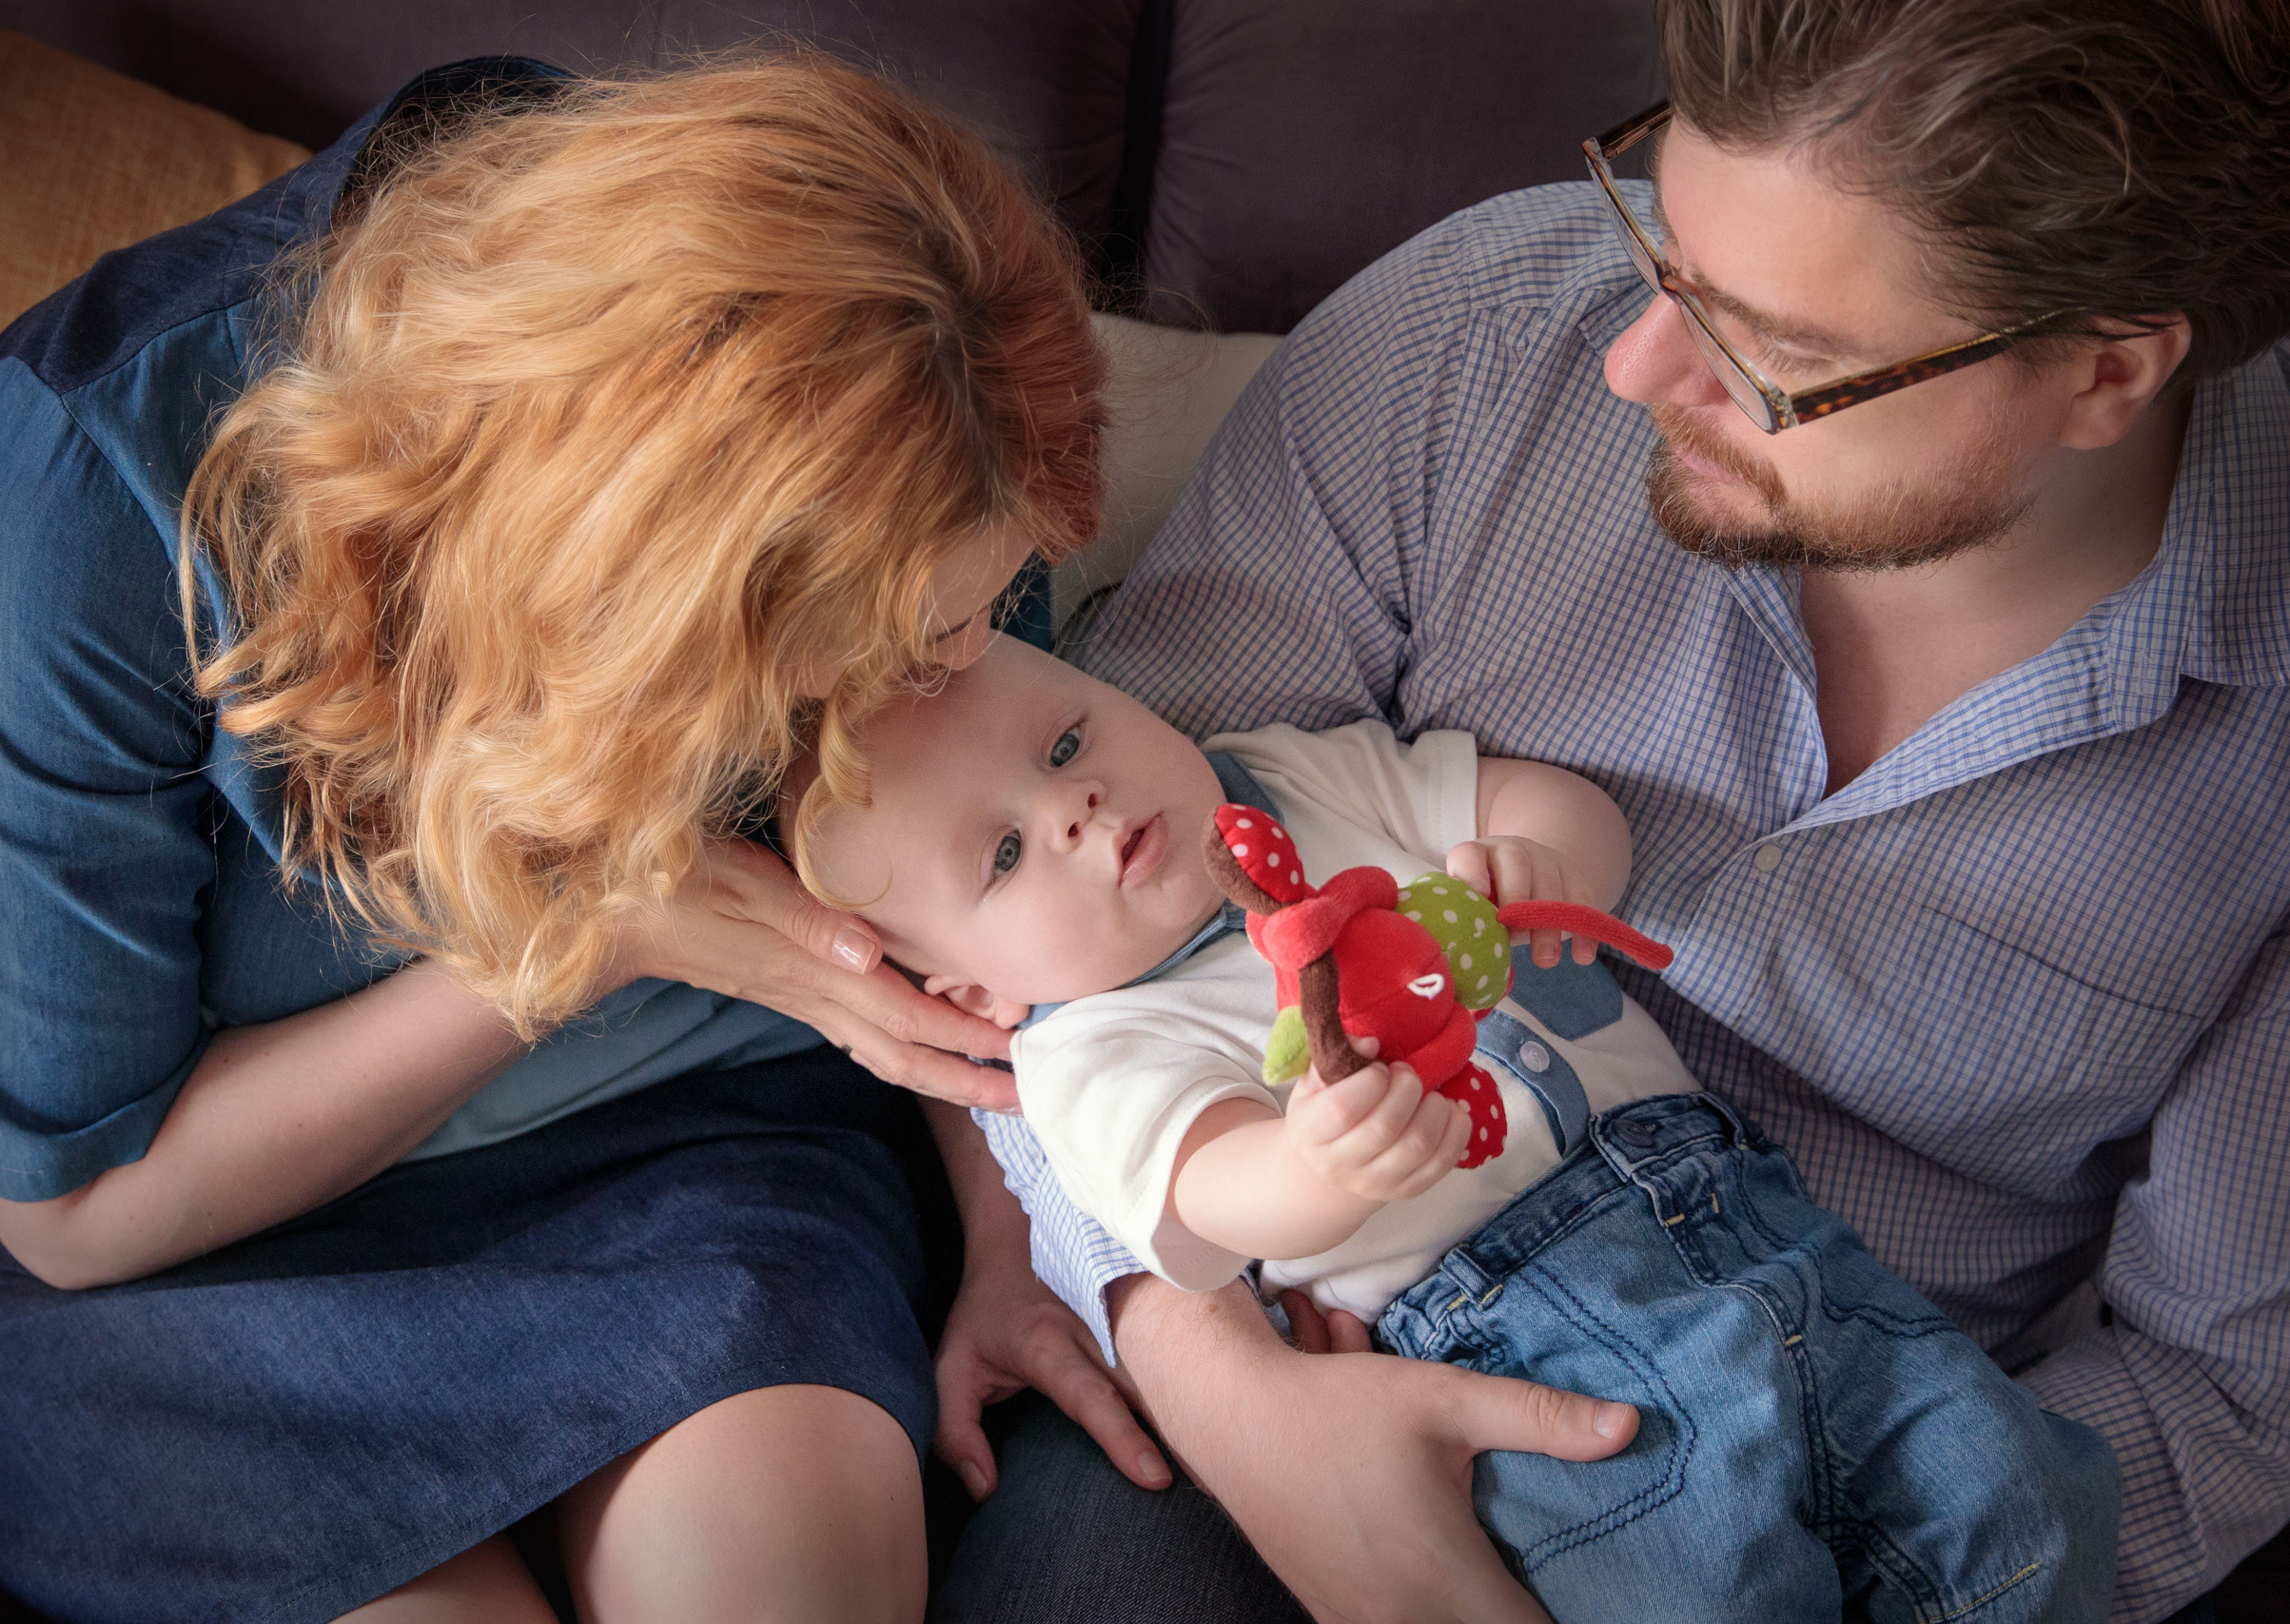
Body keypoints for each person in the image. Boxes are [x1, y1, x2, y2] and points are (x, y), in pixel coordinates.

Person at [930, 3, 2290, 1622]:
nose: (1630, 364)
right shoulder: (1473, 336)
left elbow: (2220, 1392)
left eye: (1771, 353)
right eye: (1658, 234)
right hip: (1304, 1335)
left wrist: (1874, 1543)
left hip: (1891, 1422)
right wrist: (1245, 1406)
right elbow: (1038, 944)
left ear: (2107, 371)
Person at [0, 52, 1118, 1624]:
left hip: (706, 1168)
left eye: (981, 614)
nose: (960, 674)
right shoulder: (69, 508)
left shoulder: (938, 405)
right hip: (206, 1265)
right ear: (641, 588)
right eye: (904, 644)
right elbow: (81, 1217)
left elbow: (979, 942)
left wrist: (1017, 1247)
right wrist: (593, 943)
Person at [795, 634, 2122, 1623]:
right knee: (1712, 1590)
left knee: (2024, 1508)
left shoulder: (1295, 778)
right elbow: (1204, 1207)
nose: (1070, 806)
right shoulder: (1088, 1044)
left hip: (1758, 1225)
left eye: (1068, 741)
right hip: (1526, 1332)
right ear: (974, 992)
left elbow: (1546, 810)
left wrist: (1541, 861)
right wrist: (1315, 1165)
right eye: (1006, 854)